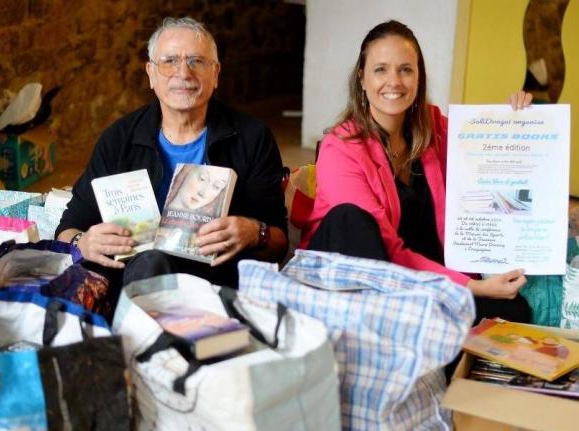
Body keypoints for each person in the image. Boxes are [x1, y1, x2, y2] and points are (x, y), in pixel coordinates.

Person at [299, 20, 532, 323]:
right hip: (357, 269)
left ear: (419, 77)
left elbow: (490, 153)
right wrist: (474, 287)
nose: (394, 81)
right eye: (380, 69)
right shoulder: (341, 147)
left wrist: (518, 120)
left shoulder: (435, 128)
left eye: (405, 69)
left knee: (516, 312)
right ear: (362, 79)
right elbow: (386, 250)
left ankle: (424, 323)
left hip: (421, 275)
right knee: (351, 218)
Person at [56, 17, 288, 294]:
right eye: (169, 61)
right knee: (150, 262)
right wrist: (83, 242)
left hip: (215, 285)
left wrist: (254, 232)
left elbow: (279, 244)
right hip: (132, 281)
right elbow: (68, 228)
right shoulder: (119, 139)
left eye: (197, 61)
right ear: (151, 75)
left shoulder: (252, 138)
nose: (184, 73)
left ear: (215, 75)